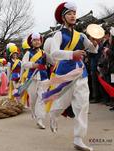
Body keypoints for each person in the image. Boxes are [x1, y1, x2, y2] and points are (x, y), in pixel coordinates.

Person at [49, 2, 99, 151]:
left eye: (74, 13)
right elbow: (53, 53)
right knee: (61, 104)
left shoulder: (81, 35)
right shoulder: (58, 34)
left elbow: (93, 50)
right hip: (65, 75)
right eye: (69, 13)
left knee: (82, 107)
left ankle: (78, 139)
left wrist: (95, 44)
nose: (72, 16)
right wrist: (72, 54)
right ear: (63, 17)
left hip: (81, 74)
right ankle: (53, 115)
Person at [22, 32, 48, 129]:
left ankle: (40, 119)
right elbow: (24, 64)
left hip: (44, 77)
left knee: (42, 98)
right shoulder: (28, 53)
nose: (37, 42)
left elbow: (51, 62)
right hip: (32, 78)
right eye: (35, 40)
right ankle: (34, 112)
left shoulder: (44, 53)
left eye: (38, 40)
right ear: (31, 42)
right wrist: (33, 65)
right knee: (33, 100)